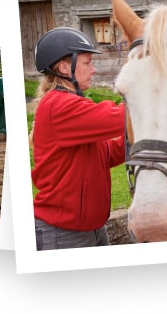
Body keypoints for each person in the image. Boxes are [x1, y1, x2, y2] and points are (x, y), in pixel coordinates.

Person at [31, 27, 126, 250]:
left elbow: (107, 155)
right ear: (64, 67)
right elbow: (121, 117)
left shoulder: (72, 104)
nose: (93, 70)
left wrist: (135, 142)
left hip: (92, 228)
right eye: (87, 63)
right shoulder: (60, 106)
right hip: (64, 235)